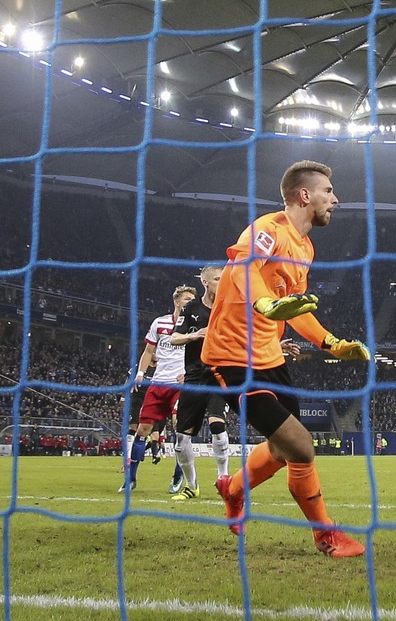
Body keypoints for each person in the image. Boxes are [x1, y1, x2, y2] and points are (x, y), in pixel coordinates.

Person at [201, 160, 372, 557]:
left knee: (283, 449)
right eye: (329, 191)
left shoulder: (305, 248)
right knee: (301, 447)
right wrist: (264, 302)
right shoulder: (268, 229)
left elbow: (297, 308)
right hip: (232, 359)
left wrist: (331, 343)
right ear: (304, 195)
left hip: (270, 359)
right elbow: (244, 267)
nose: (336, 199)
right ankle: (325, 534)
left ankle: (232, 489)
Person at [119, 286, 195, 494]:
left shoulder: (194, 325)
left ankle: (178, 477)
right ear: (177, 301)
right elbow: (149, 350)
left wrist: (190, 374)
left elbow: (202, 353)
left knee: (179, 427)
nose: (190, 302)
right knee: (142, 430)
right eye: (187, 299)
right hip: (158, 383)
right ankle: (131, 479)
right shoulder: (159, 323)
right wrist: (140, 374)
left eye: (192, 299)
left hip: (181, 384)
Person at [166, 265, 230, 500]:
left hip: (219, 376)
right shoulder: (191, 308)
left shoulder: (230, 306)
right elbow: (174, 338)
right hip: (193, 377)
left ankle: (224, 480)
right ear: (205, 282)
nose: (221, 282)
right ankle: (192, 486)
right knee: (182, 438)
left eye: (224, 278)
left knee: (217, 425)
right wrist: (195, 334)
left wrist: (277, 345)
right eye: (216, 279)